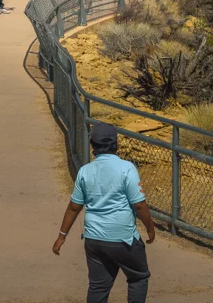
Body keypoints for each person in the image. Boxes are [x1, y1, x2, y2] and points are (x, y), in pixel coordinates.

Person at [52, 122, 156, 303]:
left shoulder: (85, 171)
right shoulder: (127, 168)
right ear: (117, 144)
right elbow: (139, 205)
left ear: (92, 145)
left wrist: (62, 236)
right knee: (138, 277)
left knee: (98, 286)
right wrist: (150, 228)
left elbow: (74, 207)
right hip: (123, 239)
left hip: (94, 240)